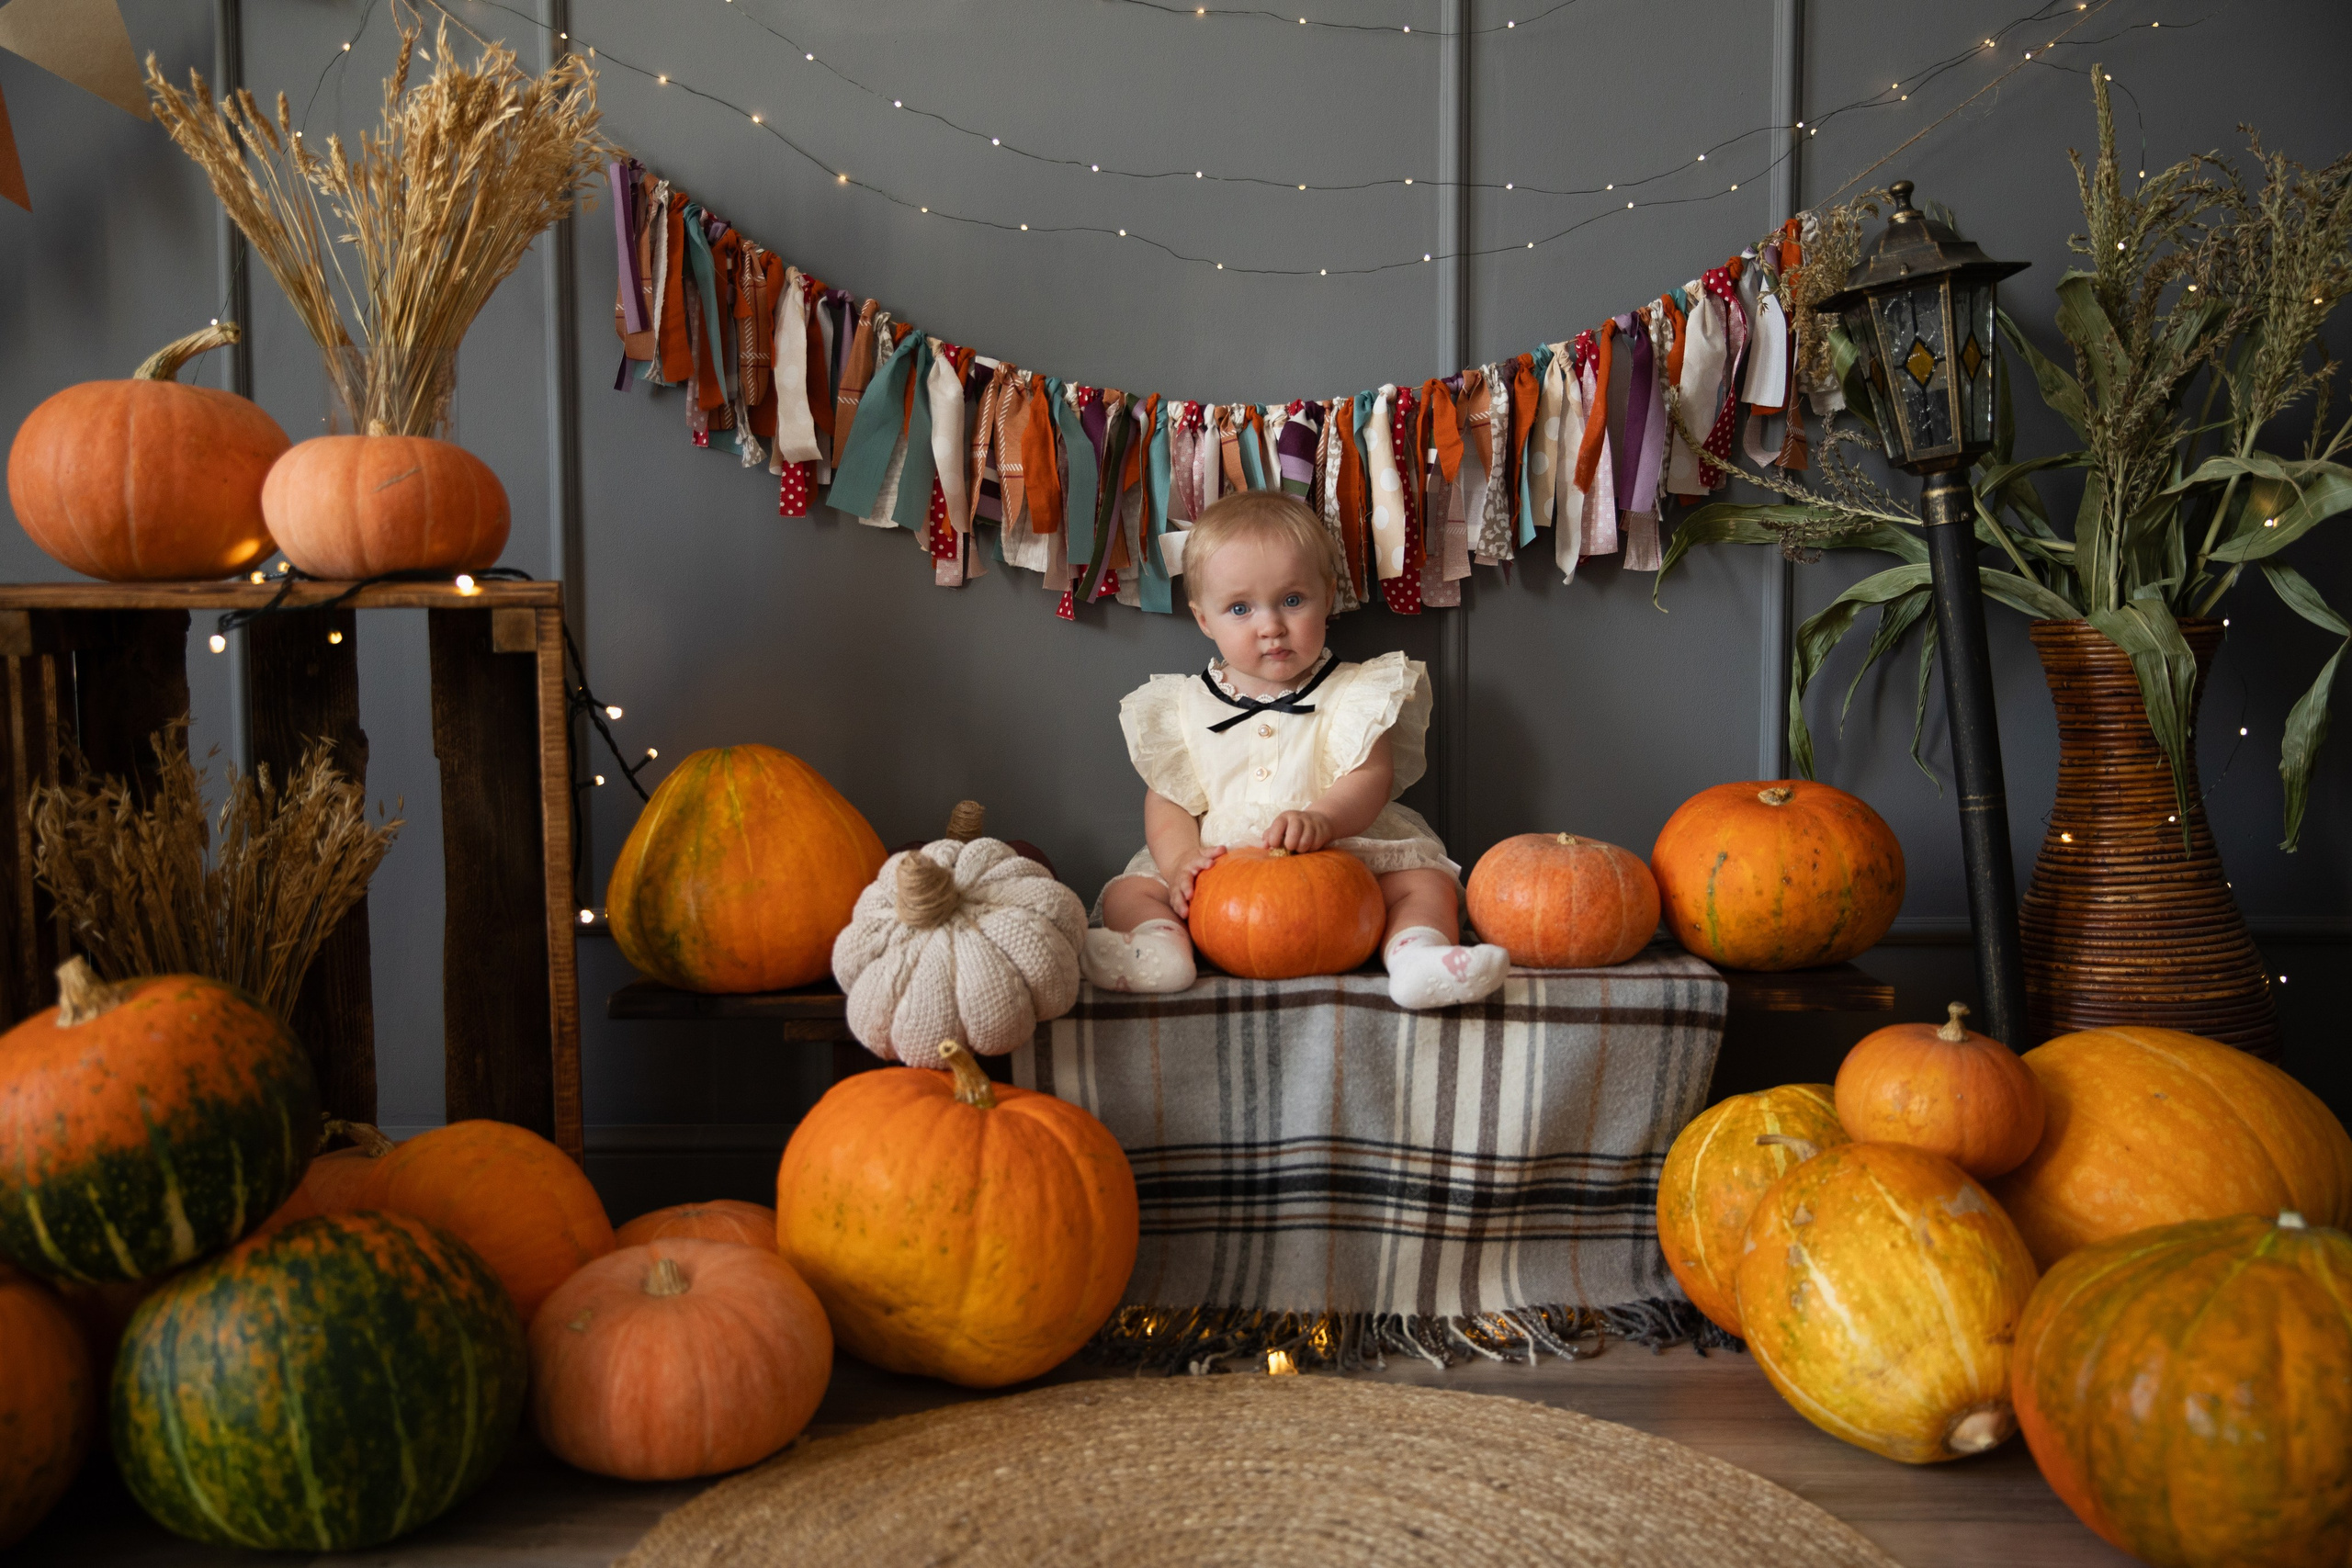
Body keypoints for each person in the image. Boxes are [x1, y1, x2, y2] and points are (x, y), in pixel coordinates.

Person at [1081, 490, 1509, 1010]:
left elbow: (1370, 775)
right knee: (1130, 891)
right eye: (1240, 608)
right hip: (1223, 873)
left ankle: (1417, 954)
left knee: (1425, 883)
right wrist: (1179, 865)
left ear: (1327, 597)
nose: (1270, 627)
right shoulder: (1182, 706)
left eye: (1292, 600)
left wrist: (1324, 818)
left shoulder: (1354, 692)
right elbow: (1166, 799)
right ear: (1203, 619)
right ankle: (1158, 948)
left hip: (1338, 857)